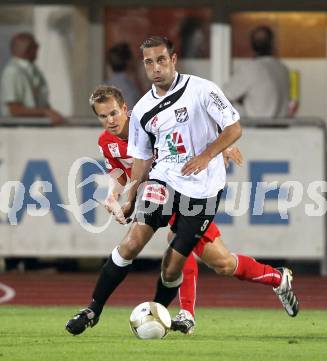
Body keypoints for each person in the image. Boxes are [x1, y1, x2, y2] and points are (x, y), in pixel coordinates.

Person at [65, 37, 299, 336]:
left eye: (161, 59)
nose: (156, 67)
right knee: (132, 242)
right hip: (164, 181)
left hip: (203, 190)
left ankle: (275, 279)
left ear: (173, 59)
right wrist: (130, 197)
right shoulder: (142, 111)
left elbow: (233, 128)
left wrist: (210, 153)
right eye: (149, 62)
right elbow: (142, 159)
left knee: (207, 264)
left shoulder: (203, 89)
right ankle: (93, 310)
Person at [223, 26, 290, 118]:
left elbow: (223, 97)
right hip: (282, 130)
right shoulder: (283, 69)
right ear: (272, 43)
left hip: (257, 130)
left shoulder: (250, 68)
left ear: (252, 45)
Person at [0, 32, 65, 125]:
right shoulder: (13, 72)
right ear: (27, 49)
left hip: (35, 129)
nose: (38, 49)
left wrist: (50, 114)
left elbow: (42, 102)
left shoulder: (34, 71)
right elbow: (14, 110)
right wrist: (45, 112)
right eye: (35, 46)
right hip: (19, 131)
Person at [106, 42, 142, 110]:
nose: (136, 59)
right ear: (129, 61)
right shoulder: (128, 88)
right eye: (133, 56)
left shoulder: (106, 85)